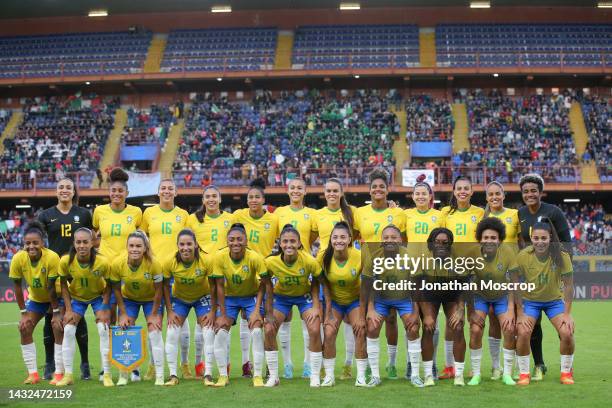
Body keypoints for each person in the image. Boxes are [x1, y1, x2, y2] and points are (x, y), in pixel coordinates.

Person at [518, 173, 572, 381]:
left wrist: (561, 269)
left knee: (563, 326)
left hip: (552, 272)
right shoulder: (520, 214)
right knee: (533, 324)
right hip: (531, 273)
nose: (530, 194)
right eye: (526, 191)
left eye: (534, 190)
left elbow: (566, 243)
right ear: (522, 194)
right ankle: (539, 364)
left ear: (540, 192)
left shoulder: (554, 212)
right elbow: (519, 243)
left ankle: (566, 366)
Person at [38, 178, 93, 381]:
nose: (64, 190)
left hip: (76, 272)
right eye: (61, 187)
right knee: (50, 317)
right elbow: (36, 237)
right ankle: (50, 363)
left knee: (77, 316)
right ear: (56, 191)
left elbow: (92, 238)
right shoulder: (46, 215)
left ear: (73, 191)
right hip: (54, 272)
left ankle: (85, 363)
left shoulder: (84, 214)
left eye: (68, 187)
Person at [354, 169, 406, 380]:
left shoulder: (399, 214)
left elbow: (406, 241)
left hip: (391, 275)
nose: (377, 190)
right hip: (367, 274)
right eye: (374, 186)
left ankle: (391, 364)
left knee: (391, 319)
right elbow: (353, 236)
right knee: (367, 319)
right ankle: (367, 364)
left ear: (387, 190)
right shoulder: (359, 213)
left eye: (381, 187)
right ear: (369, 190)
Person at [93, 167, 142, 381]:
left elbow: (139, 239)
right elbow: (95, 234)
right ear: (109, 192)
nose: (116, 194)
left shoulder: (136, 213)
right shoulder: (99, 212)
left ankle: (131, 363)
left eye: (120, 191)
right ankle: (110, 363)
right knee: (109, 320)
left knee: (127, 318)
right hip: (105, 272)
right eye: (113, 191)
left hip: (126, 271)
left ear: (126, 193)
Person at [141, 179, 193, 380]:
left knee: (180, 321)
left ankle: (185, 364)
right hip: (154, 275)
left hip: (175, 274)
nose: (167, 191)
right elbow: (143, 238)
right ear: (158, 192)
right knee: (155, 320)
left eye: (170, 188)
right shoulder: (149, 213)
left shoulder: (183, 215)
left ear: (176, 192)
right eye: (163, 188)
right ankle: (153, 366)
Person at [361, 225, 424, 388]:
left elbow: (417, 287)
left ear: (400, 240)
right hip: (381, 299)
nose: (389, 240)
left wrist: (416, 313)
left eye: (393, 237)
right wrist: (370, 309)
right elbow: (368, 286)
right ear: (381, 240)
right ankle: (375, 375)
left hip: (404, 299)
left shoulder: (410, 257)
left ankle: (415, 375)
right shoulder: (374, 257)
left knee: (413, 328)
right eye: (386, 237)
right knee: (372, 327)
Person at [514, 221, 575, 386]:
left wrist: (567, 314)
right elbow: (514, 284)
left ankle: (566, 372)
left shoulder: (562, 255)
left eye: (543, 238)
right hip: (530, 302)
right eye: (536, 238)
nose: (539, 241)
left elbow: (569, 285)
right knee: (523, 331)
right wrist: (519, 313)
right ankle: (524, 374)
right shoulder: (523, 255)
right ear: (531, 238)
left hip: (554, 302)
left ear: (550, 238)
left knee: (567, 332)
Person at [211, 223, 272, 387]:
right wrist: (222, 314)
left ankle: (257, 376)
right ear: (227, 241)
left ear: (246, 241)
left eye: (239, 239)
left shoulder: (255, 257)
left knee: (257, 331)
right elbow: (219, 286)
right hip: (230, 299)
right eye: (231, 239)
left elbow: (264, 283)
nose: (235, 243)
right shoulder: (219, 257)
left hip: (250, 297)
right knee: (220, 333)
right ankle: (223, 376)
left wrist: (258, 310)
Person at [51, 228, 113, 387]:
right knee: (69, 330)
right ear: (74, 243)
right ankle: (68, 375)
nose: (82, 245)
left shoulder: (103, 262)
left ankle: (107, 374)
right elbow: (63, 284)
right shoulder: (66, 261)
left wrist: (105, 307)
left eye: (85, 242)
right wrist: (68, 309)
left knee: (103, 329)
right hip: (77, 299)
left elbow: (110, 285)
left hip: (98, 297)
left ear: (92, 243)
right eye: (78, 242)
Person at [263, 224, 322, 386]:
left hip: (304, 297)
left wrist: (316, 307)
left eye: (293, 241)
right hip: (281, 298)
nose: (289, 245)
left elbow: (317, 282)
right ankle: (273, 376)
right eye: (285, 241)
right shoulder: (270, 262)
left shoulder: (309, 261)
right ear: (280, 243)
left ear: (299, 244)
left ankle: (315, 375)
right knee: (268, 330)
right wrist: (268, 312)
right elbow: (267, 286)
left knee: (315, 329)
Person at [231, 179, 279, 378]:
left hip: (266, 275)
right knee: (246, 318)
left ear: (263, 199)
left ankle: (269, 363)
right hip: (245, 274)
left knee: (267, 319)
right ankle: (246, 363)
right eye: (250, 197)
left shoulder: (274, 220)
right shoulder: (238, 216)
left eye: (257, 197)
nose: (253, 200)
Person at [310, 178, 357, 380]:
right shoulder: (317, 215)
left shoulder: (353, 212)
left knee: (350, 322)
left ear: (341, 192)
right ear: (324, 192)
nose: (331, 194)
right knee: (325, 323)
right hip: (325, 275)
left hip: (347, 270)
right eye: (328, 190)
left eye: (335, 190)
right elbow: (307, 239)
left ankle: (347, 365)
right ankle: (322, 366)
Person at [439, 176, 484, 381]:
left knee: (474, 319)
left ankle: (475, 368)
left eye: (467, 188)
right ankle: (450, 367)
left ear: (472, 191)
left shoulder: (480, 213)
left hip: (474, 273)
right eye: (459, 188)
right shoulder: (445, 213)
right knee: (453, 321)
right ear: (454, 191)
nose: (463, 191)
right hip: (451, 273)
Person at [273, 178, 316, 379]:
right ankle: (288, 364)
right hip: (284, 269)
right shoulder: (279, 213)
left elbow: (314, 236)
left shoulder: (312, 214)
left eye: (300, 188)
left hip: (304, 270)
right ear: (287, 190)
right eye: (293, 188)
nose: (296, 190)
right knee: (284, 319)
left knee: (308, 321)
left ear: (305, 191)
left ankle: (308, 363)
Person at [162, 229, 216, 386]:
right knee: (172, 332)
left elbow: (214, 287)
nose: (185, 248)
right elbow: (165, 287)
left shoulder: (206, 260)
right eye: (182, 244)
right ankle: (173, 375)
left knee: (208, 331)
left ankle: (208, 374)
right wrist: (169, 311)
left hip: (202, 298)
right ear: (177, 246)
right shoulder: (169, 261)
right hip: (179, 299)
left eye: (189, 244)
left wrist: (213, 311)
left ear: (196, 245)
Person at [467, 217, 517, 386]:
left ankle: (507, 373)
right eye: (486, 237)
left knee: (509, 328)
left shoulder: (509, 252)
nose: (489, 241)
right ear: (480, 238)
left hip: (501, 297)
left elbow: (514, 283)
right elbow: (465, 284)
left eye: (493, 238)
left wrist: (511, 309)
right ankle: (476, 373)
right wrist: (471, 311)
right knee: (475, 330)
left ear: (500, 240)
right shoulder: (472, 253)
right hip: (479, 297)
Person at [111, 231, 165, 386]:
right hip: (129, 299)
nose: (135, 249)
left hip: (151, 300)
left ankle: (160, 375)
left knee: (154, 332)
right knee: (125, 330)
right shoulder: (117, 263)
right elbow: (116, 289)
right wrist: (122, 313)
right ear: (127, 247)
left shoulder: (154, 264)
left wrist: (154, 314)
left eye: (138, 246)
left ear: (145, 248)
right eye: (132, 246)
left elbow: (159, 290)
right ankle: (125, 374)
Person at [9, 222, 61, 384]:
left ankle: (59, 373)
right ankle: (33, 374)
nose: (31, 246)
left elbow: (52, 288)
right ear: (23, 244)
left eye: (35, 243)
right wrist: (24, 313)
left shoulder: (52, 257)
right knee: (24, 328)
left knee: (57, 327)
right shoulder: (18, 258)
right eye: (28, 243)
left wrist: (56, 312)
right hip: (37, 299)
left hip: (56, 297)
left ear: (42, 243)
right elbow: (17, 287)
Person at [318, 222, 368, 387]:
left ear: (349, 240)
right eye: (335, 237)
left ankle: (361, 376)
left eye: (342, 237)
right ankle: (329, 376)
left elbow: (366, 286)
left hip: (355, 300)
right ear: (331, 239)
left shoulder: (360, 255)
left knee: (360, 331)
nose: (338, 240)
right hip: (334, 302)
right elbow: (323, 284)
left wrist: (362, 315)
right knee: (329, 332)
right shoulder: (323, 257)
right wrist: (328, 311)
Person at [417, 227, 469, 387]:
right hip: (429, 296)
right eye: (437, 242)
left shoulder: (459, 260)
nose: (441, 245)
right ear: (431, 244)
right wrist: (426, 315)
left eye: (445, 243)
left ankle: (458, 375)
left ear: (450, 245)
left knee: (458, 326)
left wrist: (460, 310)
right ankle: (428, 375)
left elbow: (464, 287)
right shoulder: (423, 260)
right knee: (428, 327)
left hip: (452, 296)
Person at [404, 181, 443, 379]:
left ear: (430, 197)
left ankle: (432, 363)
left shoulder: (439, 216)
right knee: (412, 321)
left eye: (423, 193)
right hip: (411, 275)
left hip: (433, 275)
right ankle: (411, 363)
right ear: (412, 196)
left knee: (431, 322)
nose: (420, 196)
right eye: (416, 193)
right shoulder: (405, 215)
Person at [482, 181, 520, 380]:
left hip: (511, 275)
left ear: (503, 195)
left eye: (498, 193)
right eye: (491, 194)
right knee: (493, 320)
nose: (494, 197)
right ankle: (497, 367)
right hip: (491, 275)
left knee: (513, 322)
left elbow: (523, 243)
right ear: (487, 197)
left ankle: (514, 367)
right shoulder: (483, 217)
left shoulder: (514, 215)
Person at [187, 185, 233, 254]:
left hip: (223, 263)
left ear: (220, 199)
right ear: (203, 200)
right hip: (201, 263)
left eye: (214, 196)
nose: (211, 199)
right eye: (207, 197)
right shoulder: (192, 219)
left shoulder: (231, 218)